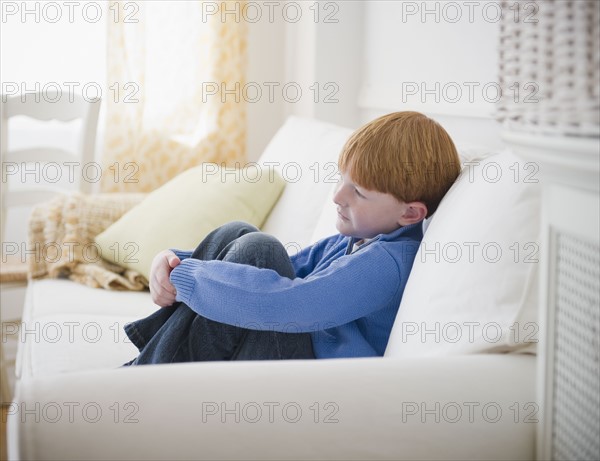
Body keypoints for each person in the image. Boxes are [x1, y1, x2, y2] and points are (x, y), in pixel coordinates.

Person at [122, 111, 461, 365]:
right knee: (239, 233)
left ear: (411, 214)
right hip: (292, 362)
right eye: (341, 179)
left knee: (259, 248)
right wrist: (172, 261)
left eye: (357, 191)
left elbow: (295, 304)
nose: (337, 196)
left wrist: (188, 277)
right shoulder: (359, 240)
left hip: (309, 384)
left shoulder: (388, 262)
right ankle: (155, 364)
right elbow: (293, 266)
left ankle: (150, 374)